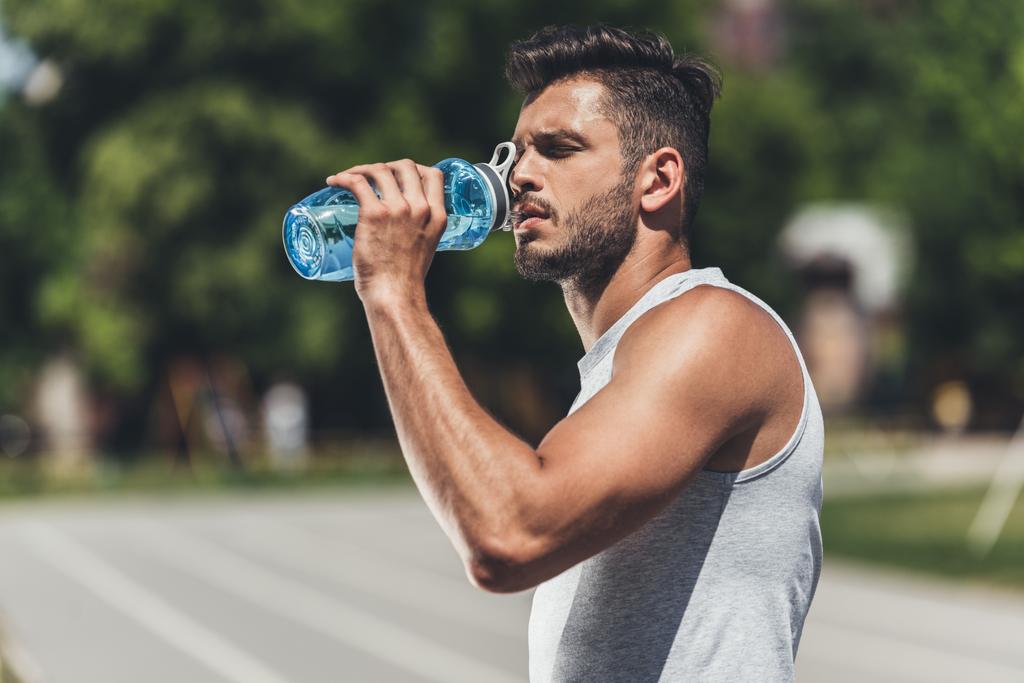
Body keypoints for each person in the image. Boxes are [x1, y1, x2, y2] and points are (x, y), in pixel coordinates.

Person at [326, 24, 823, 683]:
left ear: (658, 179)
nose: (521, 174)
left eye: (558, 149)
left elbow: (508, 534)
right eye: (517, 152)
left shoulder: (715, 326)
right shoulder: (621, 367)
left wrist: (392, 292)